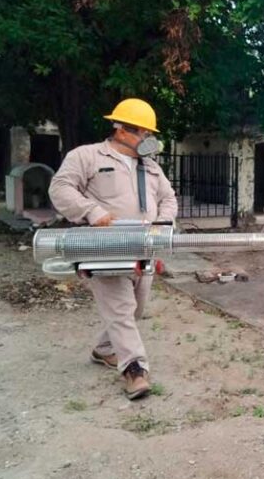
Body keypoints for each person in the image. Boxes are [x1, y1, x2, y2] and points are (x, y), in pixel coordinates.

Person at [49, 98, 178, 399]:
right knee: (121, 309)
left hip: (143, 247)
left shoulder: (151, 167)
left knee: (136, 309)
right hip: (105, 248)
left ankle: (104, 348)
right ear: (122, 130)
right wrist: (92, 212)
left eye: (150, 134)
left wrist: (163, 221)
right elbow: (60, 188)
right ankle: (135, 370)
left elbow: (169, 198)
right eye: (144, 133)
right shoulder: (87, 156)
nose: (149, 139)